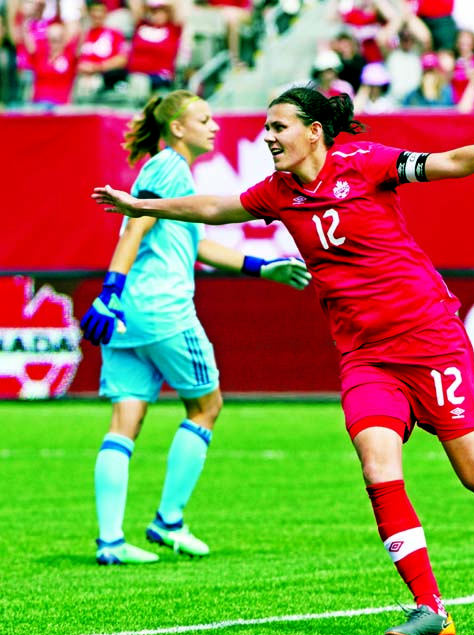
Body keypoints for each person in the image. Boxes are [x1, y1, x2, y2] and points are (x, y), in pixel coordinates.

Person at [92, 87, 474, 635]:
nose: (267, 137)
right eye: (266, 128)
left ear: (314, 130)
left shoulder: (367, 165)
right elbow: (212, 208)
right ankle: (430, 607)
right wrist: (142, 206)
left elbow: (452, 162)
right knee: (377, 468)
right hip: (365, 356)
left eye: (278, 127)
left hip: (429, 340)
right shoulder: (277, 193)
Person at [82, 89, 312, 567]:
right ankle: (168, 521)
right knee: (207, 406)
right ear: (178, 128)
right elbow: (136, 226)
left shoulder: (166, 172)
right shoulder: (170, 168)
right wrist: (108, 285)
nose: (214, 126)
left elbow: (198, 245)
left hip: (125, 315)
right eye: (203, 119)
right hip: (163, 309)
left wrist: (261, 267)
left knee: (126, 420)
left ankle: (110, 542)